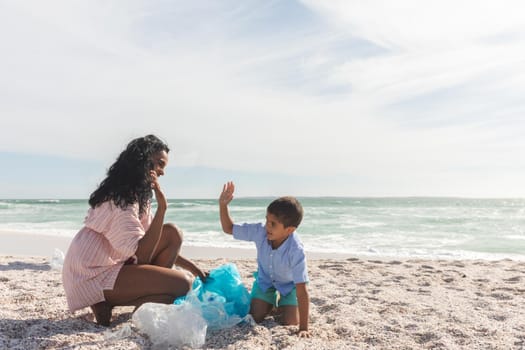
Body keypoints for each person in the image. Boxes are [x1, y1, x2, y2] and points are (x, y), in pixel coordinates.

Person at [62, 134, 206, 326]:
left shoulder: (140, 197)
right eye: (159, 164)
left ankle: (112, 302)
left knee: (172, 233)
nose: (162, 172)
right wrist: (163, 208)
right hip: (91, 274)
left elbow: (154, 241)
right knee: (183, 284)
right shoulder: (122, 199)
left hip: (111, 265)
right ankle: (107, 300)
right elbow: (143, 254)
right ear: (143, 162)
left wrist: (195, 268)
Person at [218, 181, 311, 337]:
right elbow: (228, 229)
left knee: (290, 322)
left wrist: (304, 328)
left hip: (289, 286)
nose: (267, 226)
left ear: (289, 230)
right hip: (265, 281)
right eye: (267, 220)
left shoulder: (296, 250)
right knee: (256, 316)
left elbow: (302, 291)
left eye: (273, 224)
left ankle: (282, 304)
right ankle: (269, 302)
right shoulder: (260, 230)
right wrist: (223, 206)